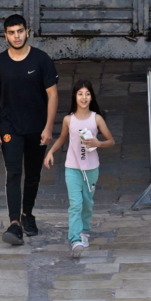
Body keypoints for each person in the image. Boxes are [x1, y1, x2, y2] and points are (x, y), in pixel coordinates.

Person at [0, 14, 59, 245]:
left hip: (37, 128)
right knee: (14, 173)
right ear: (4, 35)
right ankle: (14, 223)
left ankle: (27, 215)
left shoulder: (41, 60)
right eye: (11, 32)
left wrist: (49, 128)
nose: (16, 36)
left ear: (28, 31)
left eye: (20, 31)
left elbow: (53, 94)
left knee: (33, 175)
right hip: (10, 127)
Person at [44, 80, 115, 258]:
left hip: (91, 168)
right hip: (72, 168)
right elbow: (61, 138)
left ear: (92, 97)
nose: (84, 97)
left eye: (87, 94)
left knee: (87, 202)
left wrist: (98, 143)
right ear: (75, 97)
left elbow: (111, 141)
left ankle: (84, 230)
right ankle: (75, 239)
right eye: (80, 94)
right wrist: (50, 152)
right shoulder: (69, 119)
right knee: (75, 204)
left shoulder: (96, 118)